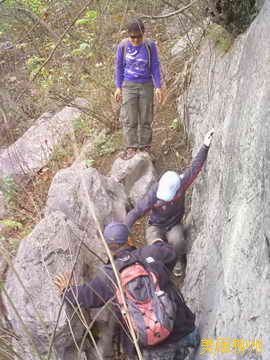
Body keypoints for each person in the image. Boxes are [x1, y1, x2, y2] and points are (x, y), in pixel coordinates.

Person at [54, 222, 200, 360]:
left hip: (156, 348)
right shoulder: (152, 253)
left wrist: (67, 291)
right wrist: (157, 243)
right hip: (184, 331)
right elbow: (172, 253)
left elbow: (86, 296)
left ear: (107, 247)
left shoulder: (109, 276)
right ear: (129, 240)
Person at [125, 129, 214, 276]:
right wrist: (124, 229)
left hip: (174, 224)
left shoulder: (182, 183)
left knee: (178, 241)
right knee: (154, 247)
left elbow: (195, 167)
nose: (163, 199)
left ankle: (177, 260)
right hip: (156, 225)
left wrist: (205, 146)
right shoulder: (154, 193)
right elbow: (137, 211)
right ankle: (158, 268)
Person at [114, 18, 163, 160]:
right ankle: (131, 147)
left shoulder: (150, 45)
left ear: (144, 33)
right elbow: (118, 66)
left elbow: (154, 65)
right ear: (128, 35)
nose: (135, 40)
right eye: (132, 37)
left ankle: (145, 147)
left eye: (138, 36)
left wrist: (158, 86)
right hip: (129, 85)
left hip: (146, 85)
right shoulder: (123, 46)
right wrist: (118, 87)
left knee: (146, 117)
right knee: (130, 118)